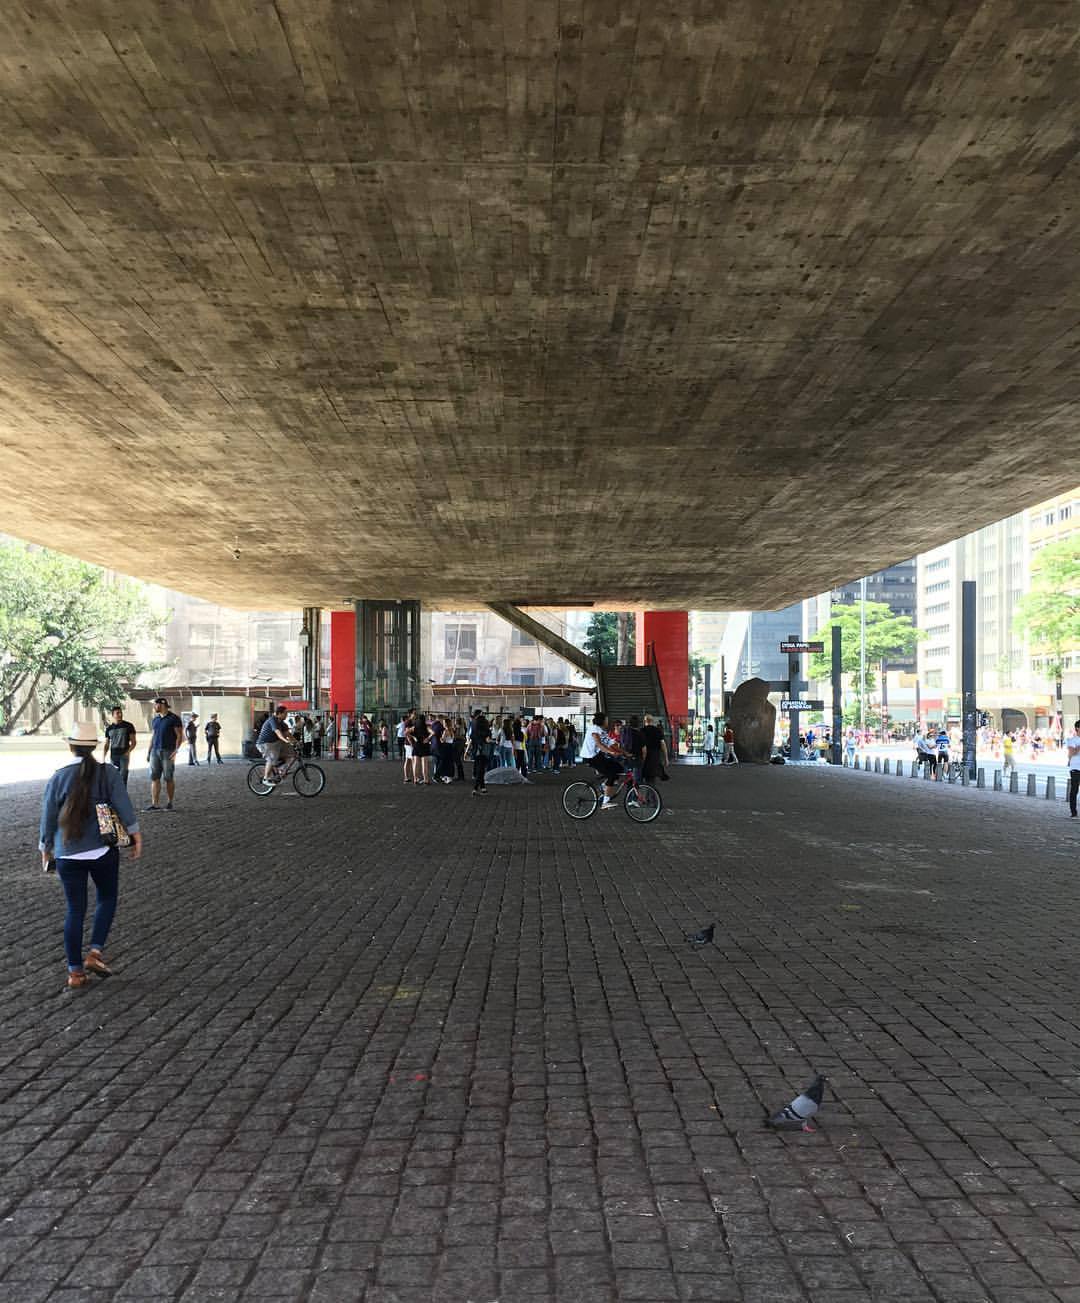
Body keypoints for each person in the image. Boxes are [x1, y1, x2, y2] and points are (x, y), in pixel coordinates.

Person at [39, 721, 142, 990]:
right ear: (95, 746)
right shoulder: (107, 773)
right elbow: (123, 805)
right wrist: (136, 836)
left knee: (75, 910)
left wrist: (46, 847)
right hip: (102, 850)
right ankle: (95, 952)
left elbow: (48, 817)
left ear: (71, 746)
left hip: (67, 854)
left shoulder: (58, 776)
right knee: (106, 898)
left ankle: (74, 973)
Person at [581, 712, 628, 809]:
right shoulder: (594, 729)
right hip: (590, 757)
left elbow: (612, 744)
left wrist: (625, 753)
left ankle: (603, 786)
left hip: (598, 756)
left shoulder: (602, 731)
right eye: (606, 719)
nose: (607, 721)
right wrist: (611, 752)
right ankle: (605, 802)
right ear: (601, 720)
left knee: (619, 768)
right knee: (611, 774)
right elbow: (599, 744)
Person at [146, 697, 184, 811]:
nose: (154, 707)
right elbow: (153, 736)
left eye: (155, 705)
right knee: (154, 777)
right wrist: (149, 751)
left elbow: (179, 736)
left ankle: (170, 802)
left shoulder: (174, 718)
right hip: (155, 751)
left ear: (162, 705)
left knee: (168, 777)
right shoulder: (155, 720)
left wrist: (176, 751)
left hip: (168, 751)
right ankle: (155, 804)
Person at [257, 704, 295, 783]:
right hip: (265, 743)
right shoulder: (273, 720)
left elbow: (288, 734)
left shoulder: (283, 723)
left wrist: (296, 742)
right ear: (279, 713)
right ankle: (266, 778)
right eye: (285, 713)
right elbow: (278, 732)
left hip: (275, 743)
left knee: (291, 753)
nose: (286, 715)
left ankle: (281, 770)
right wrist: (286, 740)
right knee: (272, 758)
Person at [102, 706, 136, 786]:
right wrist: (103, 756)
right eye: (117, 713)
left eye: (121, 713)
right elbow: (107, 744)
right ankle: (115, 795)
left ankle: (123, 795)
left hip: (124, 755)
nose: (120, 714)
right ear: (113, 715)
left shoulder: (128, 726)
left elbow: (133, 742)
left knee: (123, 775)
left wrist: (128, 752)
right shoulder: (109, 729)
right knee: (114, 776)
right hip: (113, 756)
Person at [468, 709, 492, 795]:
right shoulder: (483, 721)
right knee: (481, 769)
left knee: (478, 767)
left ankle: (482, 787)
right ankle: (475, 787)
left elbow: (471, 735)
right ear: (481, 714)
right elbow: (487, 733)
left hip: (476, 747)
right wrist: (487, 736)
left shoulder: (473, 722)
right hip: (483, 747)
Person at [641, 714, 669, 783]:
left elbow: (641, 746)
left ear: (644, 721)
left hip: (645, 756)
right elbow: (663, 745)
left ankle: (643, 791)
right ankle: (650, 791)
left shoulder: (642, 731)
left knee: (642, 777)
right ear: (652, 721)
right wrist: (666, 758)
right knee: (651, 778)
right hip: (655, 757)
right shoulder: (658, 731)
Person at [1067, 721, 1080, 818]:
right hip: (1075, 768)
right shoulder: (1072, 740)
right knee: (1074, 790)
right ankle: (1073, 812)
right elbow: (1071, 753)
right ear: (1077, 728)